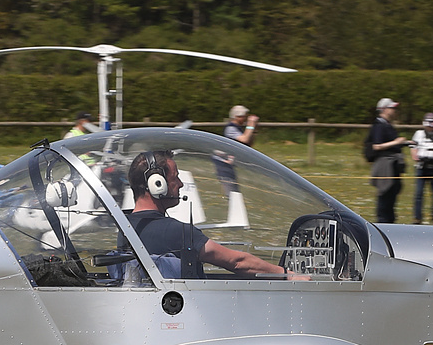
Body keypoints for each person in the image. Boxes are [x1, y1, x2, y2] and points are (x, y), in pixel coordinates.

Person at [126, 150, 305, 280]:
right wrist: (287, 275)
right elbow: (237, 262)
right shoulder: (174, 232)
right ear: (158, 184)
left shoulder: (126, 231)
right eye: (176, 177)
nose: (180, 184)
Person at [367, 97, 410, 224]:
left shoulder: (388, 125)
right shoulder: (379, 125)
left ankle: (390, 223)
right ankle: (383, 223)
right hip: (385, 165)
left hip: (393, 165)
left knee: (392, 195)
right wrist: (396, 142)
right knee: (385, 196)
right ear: (384, 109)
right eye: (392, 108)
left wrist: (405, 143)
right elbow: (377, 145)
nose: (394, 110)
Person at [214, 105, 258, 193]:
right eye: (244, 116)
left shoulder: (238, 129)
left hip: (229, 163)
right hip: (223, 164)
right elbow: (244, 139)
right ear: (237, 117)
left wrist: (253, 129)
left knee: (235, 190)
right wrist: (251, 125)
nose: (245, 118)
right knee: (231, 191)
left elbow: (249, 143)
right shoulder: (230, 128)